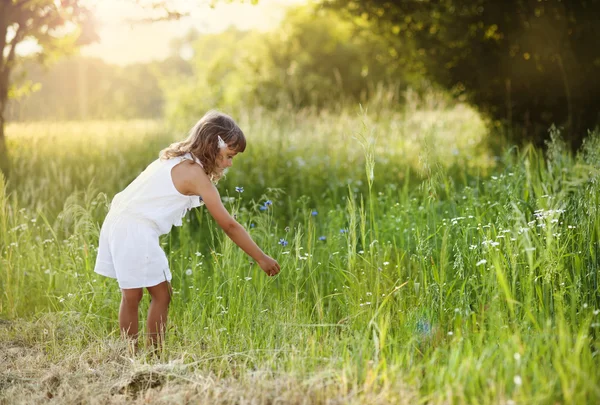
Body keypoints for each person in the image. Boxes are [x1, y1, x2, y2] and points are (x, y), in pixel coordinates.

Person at [94, 110, 280, 349]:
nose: (230, 163)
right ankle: (154, 354)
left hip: (119, 221)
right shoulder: (195, 175)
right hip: (135, 229)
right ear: (214, 145)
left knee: (132, 296)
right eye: (229, 155)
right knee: (161, 295)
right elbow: (229, 225)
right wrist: (261, 258)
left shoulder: (177, 156)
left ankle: (129, 354)